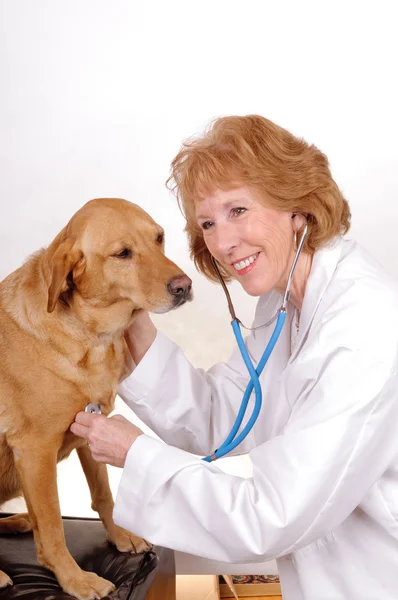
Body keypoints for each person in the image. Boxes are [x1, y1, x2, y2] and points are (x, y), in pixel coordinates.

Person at [70, 115, 398, 600]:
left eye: (238, 210)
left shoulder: (363, 329)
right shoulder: (286, 299)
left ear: (297, 205)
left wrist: (135, 454)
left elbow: (272, 516)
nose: (222, 243)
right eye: (207, 223)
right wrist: (132, 323)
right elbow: (227, 417)